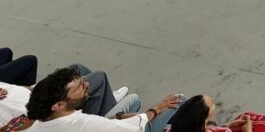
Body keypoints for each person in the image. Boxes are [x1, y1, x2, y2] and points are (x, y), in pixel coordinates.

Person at [25, 66, 183, 132]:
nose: (87, 84)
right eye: (80, 87)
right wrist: (157, 108)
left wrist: (118, 116)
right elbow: (134, 127)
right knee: (179, 100)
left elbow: (105, 124)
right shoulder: (84, 124)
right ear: (59, 105)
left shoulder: (38, 124)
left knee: (133, 99)